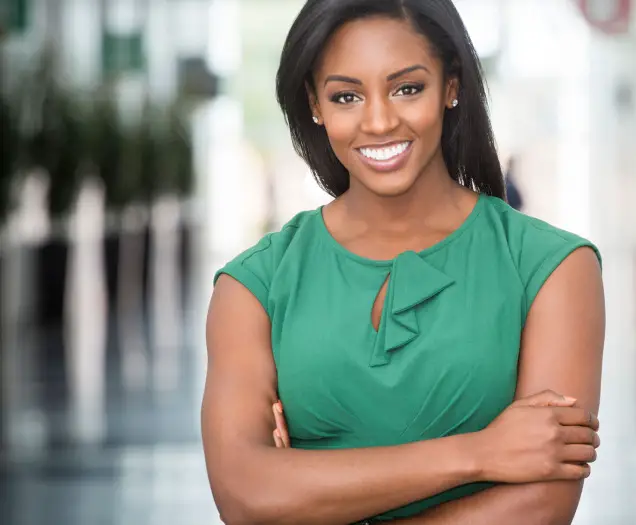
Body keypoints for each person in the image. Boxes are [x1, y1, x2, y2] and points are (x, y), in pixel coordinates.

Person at [201, 1, 606, 523]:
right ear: (315, 105)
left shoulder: (552, 269)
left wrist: (306, 490)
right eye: (346, 96)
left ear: (451, 86)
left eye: (407, 88)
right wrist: (480, 452)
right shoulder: (252, 286)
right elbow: (245, 494)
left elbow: (540, 506)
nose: (379, 120)